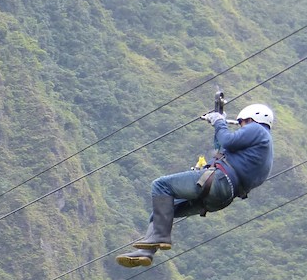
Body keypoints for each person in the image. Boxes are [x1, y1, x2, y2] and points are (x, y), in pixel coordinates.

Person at [115, 103, 275, 268]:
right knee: (164, 207)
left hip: (218, 181)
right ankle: (146, 252)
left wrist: (220, 122)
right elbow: (222, 148)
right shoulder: (264, 152)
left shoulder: (257, 129)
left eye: (242, 123)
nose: (241, 127)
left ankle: (159, 237)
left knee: (160, 185)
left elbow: (227, 140)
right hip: (221, 197)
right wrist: (218, 123)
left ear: (251, 118)